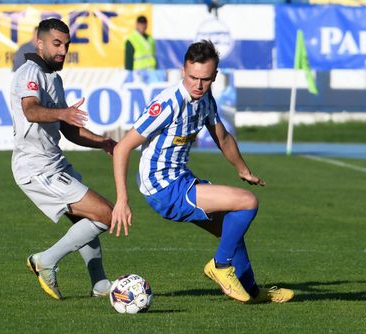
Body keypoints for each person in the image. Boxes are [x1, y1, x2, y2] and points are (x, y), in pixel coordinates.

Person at [111, 40, 294, 304]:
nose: (198, 85)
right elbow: (122, 148)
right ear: (182, 72)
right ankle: (220, 267)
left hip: (181, 180)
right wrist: (122, 200)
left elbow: (222, 136)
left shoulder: (206, 99)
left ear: (215, 76)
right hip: (164, 188)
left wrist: (243, 170)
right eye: (193, 77)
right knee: (247, 202)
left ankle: (253, 292)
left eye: (205, 79)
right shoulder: (168, 103)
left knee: (230, 231)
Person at [10, 18, 116, 300]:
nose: (62, 51)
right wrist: (61, 113)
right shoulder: (28, 72)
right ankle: (45, 260)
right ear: (39, 42)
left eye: (66, 45)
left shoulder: (54, 77)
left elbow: (69, 129)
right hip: (36, 166)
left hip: (54, 162)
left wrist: (103, 142)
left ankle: (100, 284)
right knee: (106, 213)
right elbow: (31, 110)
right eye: (56, 44)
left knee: (89, 218)